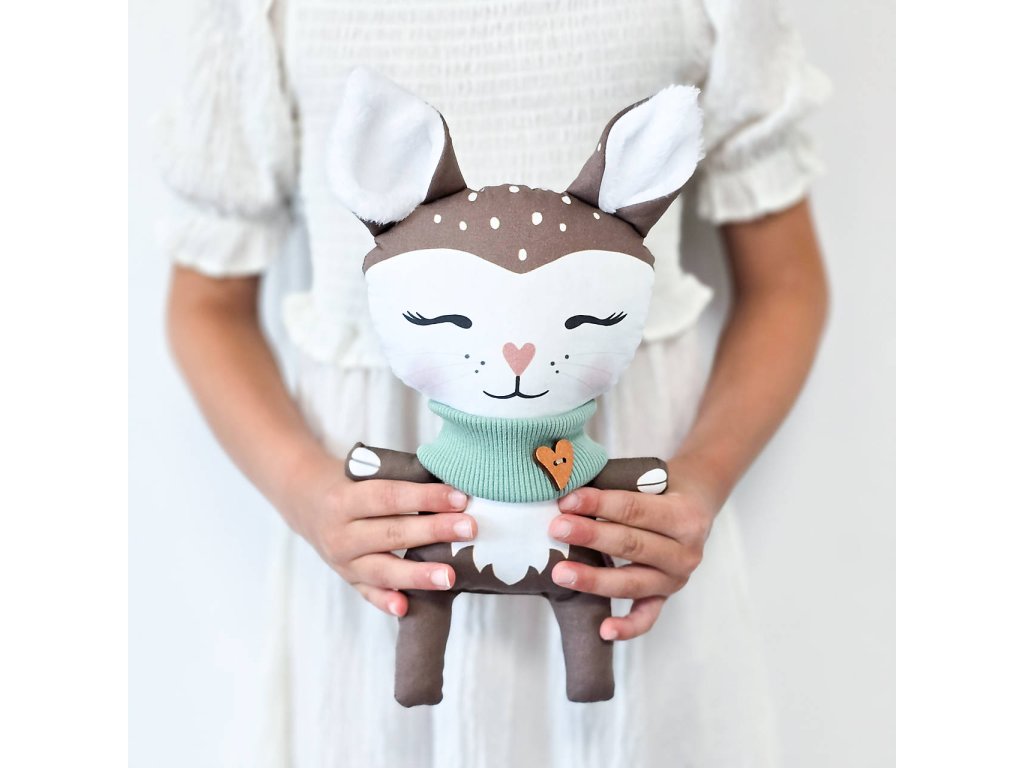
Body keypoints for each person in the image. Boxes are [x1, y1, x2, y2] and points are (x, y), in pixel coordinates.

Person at [161, 0, 829, 765]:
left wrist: (702, 481)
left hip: (634, 550)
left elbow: (786, 284)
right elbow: (205, 307)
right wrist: (307, 493)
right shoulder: (261, 14)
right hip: (372, 557)